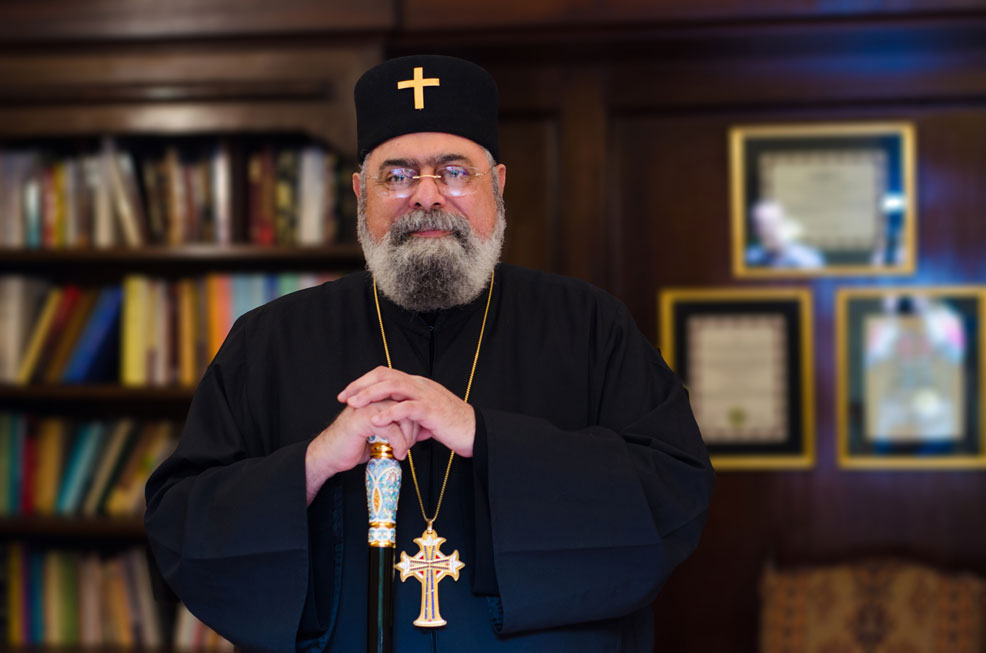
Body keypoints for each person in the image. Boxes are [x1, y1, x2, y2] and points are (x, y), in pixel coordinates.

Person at [144, 54, 715, 652]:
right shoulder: (270, 341)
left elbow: (673, 494)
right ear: (361, 192)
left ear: (498, 184)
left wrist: (482, 435)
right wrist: (313, 464)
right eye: (397, 175)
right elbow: (180, 527)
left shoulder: (590, 326)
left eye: (454, 172)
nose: (426, 196)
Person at [745, 200, 825, 269]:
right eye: (760, 224)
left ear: (785, 223)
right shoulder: (750, 259)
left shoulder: (808, 260)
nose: (769, 230)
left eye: (772, 222)